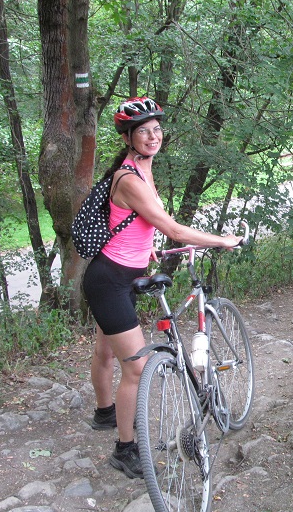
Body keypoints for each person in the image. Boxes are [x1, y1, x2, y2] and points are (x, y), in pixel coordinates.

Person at [82, 97, 243, 479]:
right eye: (143, 131)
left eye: (156, 129)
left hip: (124, 273)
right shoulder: (128, 177)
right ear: (128, 137)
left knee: (106, 350)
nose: (153, 136)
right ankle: (125, 449)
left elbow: (135, 220)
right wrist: (221, 240)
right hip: (110, 281)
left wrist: (145, 247)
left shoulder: (142, 168)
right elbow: (172, 228)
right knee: (136, 368)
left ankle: (105, 413)